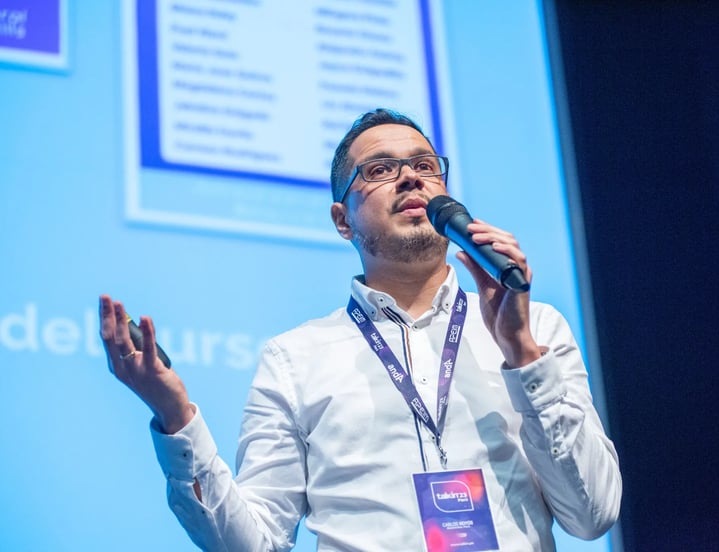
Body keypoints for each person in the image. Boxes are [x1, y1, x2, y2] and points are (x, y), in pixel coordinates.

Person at [100, 108, 621, 551]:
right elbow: (254, 541)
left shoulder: (539, 329)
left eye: (424, 165)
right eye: (379, 169)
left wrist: (523, 353)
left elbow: (592, 514)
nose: (411, 177)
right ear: (342, 221)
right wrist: (175, 419)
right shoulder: (296, 358)